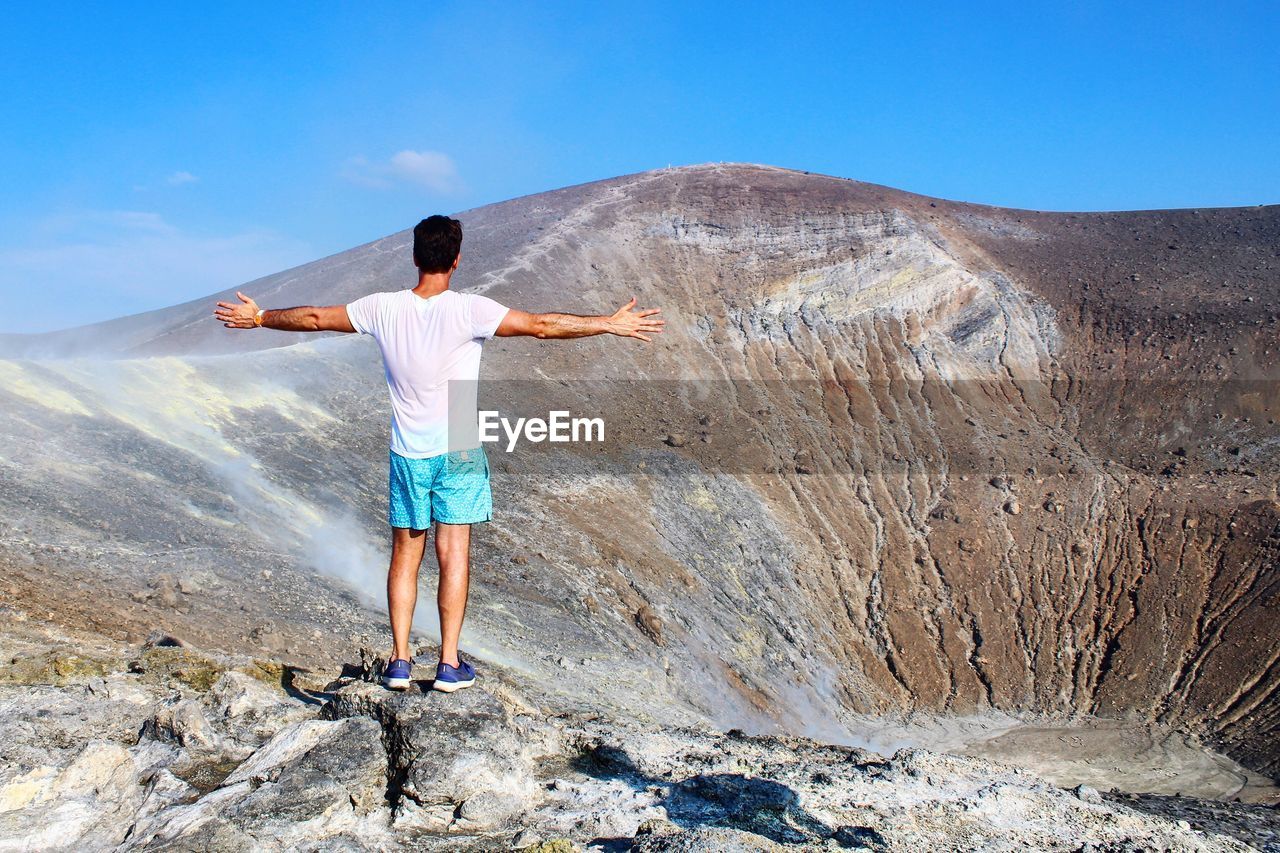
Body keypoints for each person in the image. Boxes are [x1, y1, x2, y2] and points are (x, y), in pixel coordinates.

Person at [214, 215, 663, 692]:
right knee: (454, 554)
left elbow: (315, 318)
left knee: (406, 556)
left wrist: (260, 317)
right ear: (456, 260)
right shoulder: (470, 310)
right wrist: (608, 325)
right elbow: (542, 327)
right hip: (460, 444)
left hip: (409, 448)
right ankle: (449, 664)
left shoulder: (382, 308)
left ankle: (401, 661)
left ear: (414, 257)